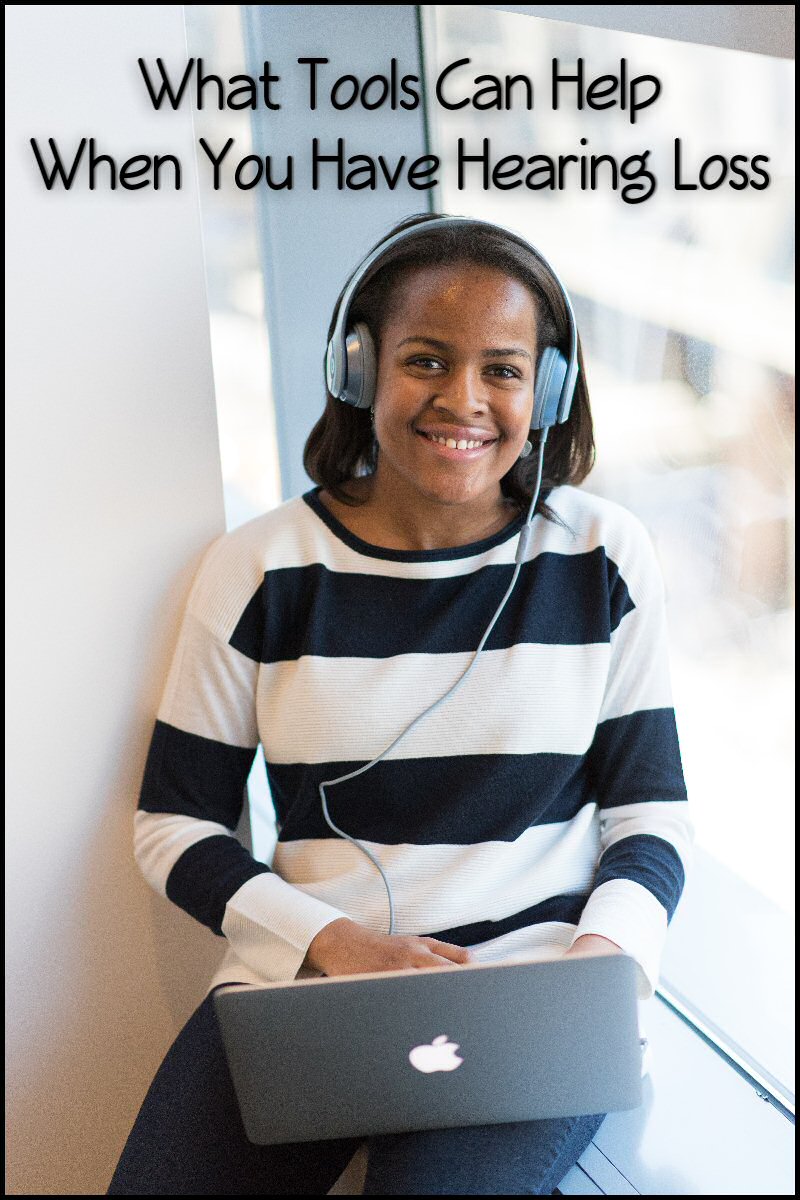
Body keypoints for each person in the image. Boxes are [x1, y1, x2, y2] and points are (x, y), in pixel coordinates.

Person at [107, 213, 693, 1195]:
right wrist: (336, 946)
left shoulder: (600, 555)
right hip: (307, 986)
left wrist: (591, 969)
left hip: (527, 996)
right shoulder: (261, 566)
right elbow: (174, 824)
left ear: (544, 388)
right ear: (357, 367)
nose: (463, 400)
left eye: (502, 369)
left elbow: (650, 819)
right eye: (425, 360)